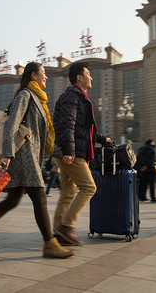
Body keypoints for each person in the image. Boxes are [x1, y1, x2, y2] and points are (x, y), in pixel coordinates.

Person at [0, 62, 74, 259]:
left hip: (30, 156)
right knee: (40, 198)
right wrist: (7, 153)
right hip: (23, 156)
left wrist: (61, 153)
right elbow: (11, 124)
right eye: (43, 74)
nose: (46, 77)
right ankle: (50, 244)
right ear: (33, 76)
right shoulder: (25, 95)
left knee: (12, 200)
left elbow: (43, 136)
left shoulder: (39, 100)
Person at [52, 62, 113, 246]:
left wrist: (102, 139)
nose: (91, 77)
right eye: (88, 74)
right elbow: (68, 124)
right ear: (79, 77)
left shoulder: (79, 96)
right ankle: (66, 226)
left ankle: (58, 232)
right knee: (89, 188)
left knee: (67, 193)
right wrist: (70, 151)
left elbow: (85, 129)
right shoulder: (72, 95)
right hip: (72, 152)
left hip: (69, 150)